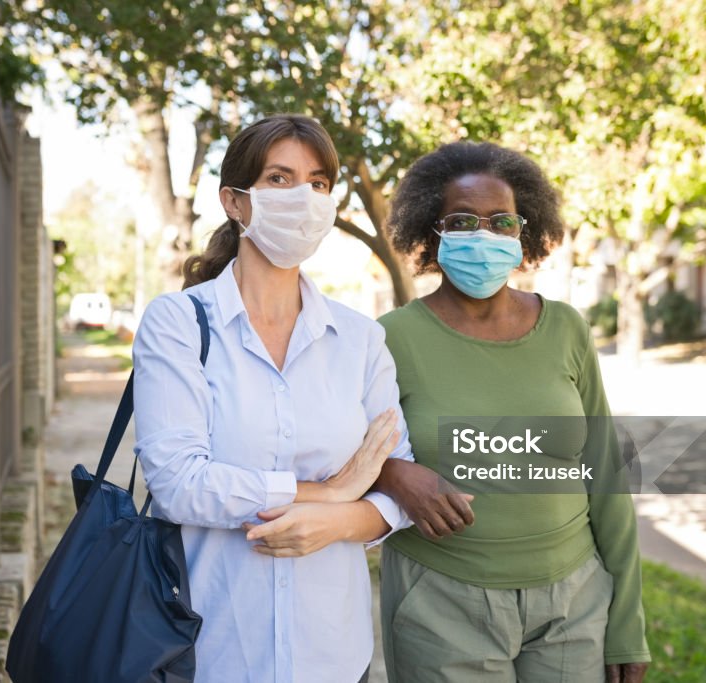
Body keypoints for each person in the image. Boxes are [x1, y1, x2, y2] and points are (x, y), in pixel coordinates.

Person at [131, 114, 413, 683]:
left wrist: (336, 522)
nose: (304, 198)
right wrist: (333, 489)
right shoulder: (180, 324)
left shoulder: (360, 339)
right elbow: (180, 483)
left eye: (318, 183)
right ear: (234, 202)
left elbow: (396, 480)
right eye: (279, 179)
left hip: (333, 653)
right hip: (210, 650)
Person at [372, 141, 652, 682]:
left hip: (575, 603)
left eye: (502, 222)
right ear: (433, 231)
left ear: (525, 231)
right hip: (441, 603)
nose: (484, 235)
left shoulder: (567, 328)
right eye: (462, 220)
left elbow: (606, 475)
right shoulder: (389, 340)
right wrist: (393, 472)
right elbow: (337, 456)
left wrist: (626, 623)